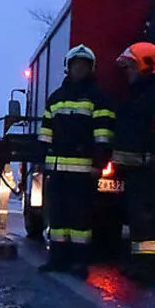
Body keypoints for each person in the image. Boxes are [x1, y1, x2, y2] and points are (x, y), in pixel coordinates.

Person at [37, 44, 115, 279]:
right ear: (68, 68)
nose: (79, 69)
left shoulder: (98, 98)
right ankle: (57, 259)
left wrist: (98, 164)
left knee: (80, 219)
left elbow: (104, 135)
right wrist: (41, 160)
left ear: (90, 68)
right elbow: (45, 133)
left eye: (83, 65)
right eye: (75, 65)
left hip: (83, 171)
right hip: (57, 170)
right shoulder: (56, 98)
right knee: (58, 217)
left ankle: (80, 262)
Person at [110, 42, 155, 284]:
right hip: (137, 170)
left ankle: (148, 266)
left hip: (150, 169)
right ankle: (138, 262)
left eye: (130, 66)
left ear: (145, 65)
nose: (126, 72)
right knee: (138, 219)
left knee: (147, 220)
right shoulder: (139, 93)